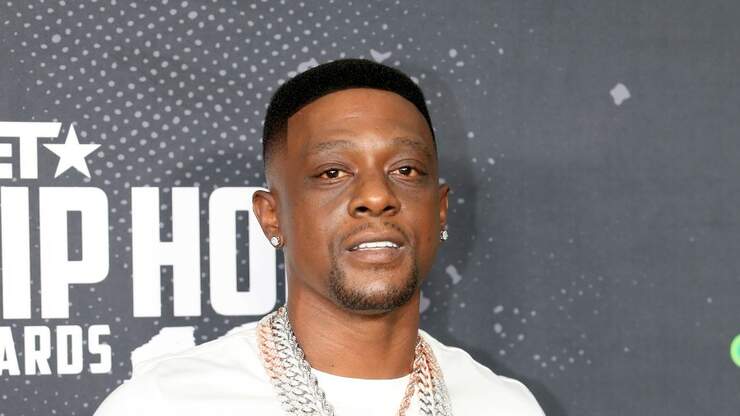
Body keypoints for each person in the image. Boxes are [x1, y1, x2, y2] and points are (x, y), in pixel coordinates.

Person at [94, 59, 544, 415]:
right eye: (332, 173)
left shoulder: (504, 406)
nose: (376, 196)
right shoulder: (166, 404)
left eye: (405, 170)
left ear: (440, 209)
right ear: (272, 217)